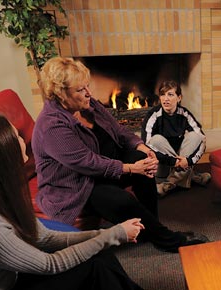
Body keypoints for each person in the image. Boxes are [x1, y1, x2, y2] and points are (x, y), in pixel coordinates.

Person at [32, 57, 208, 253]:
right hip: (77, 183)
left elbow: (118, 130)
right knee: (122, 200)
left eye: (87, 86)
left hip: (104, 168)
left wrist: (143, 147)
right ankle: (167, 239)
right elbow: (88, 163)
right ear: (60, 94)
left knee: (144, 163)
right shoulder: (52, 125)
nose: (88, 93)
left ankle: (151, 229)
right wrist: (132, 168)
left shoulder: (88, 105)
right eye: (80, 90)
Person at [0, 112, 145, 290]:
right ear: (4, 156)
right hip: (8, 285)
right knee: (93, 264)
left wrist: (106, 234)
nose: (22, 138)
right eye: (16, 135)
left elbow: (45, 238)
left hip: (10, 276)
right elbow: (50, 264)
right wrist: (114, 235)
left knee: (99, 251)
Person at [141, 80, 211, 196]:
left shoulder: (184, 114)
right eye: (162, 94)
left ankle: (168, 183)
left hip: (180, 156)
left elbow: (202, 139)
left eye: (170, 94)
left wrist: (189, 161)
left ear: (179, 98)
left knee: (195, 136)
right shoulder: (153, 115)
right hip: (161, 161)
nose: (165, 99)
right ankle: (192, 176)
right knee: (155, 139)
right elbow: (146, 146)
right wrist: (175, 162)